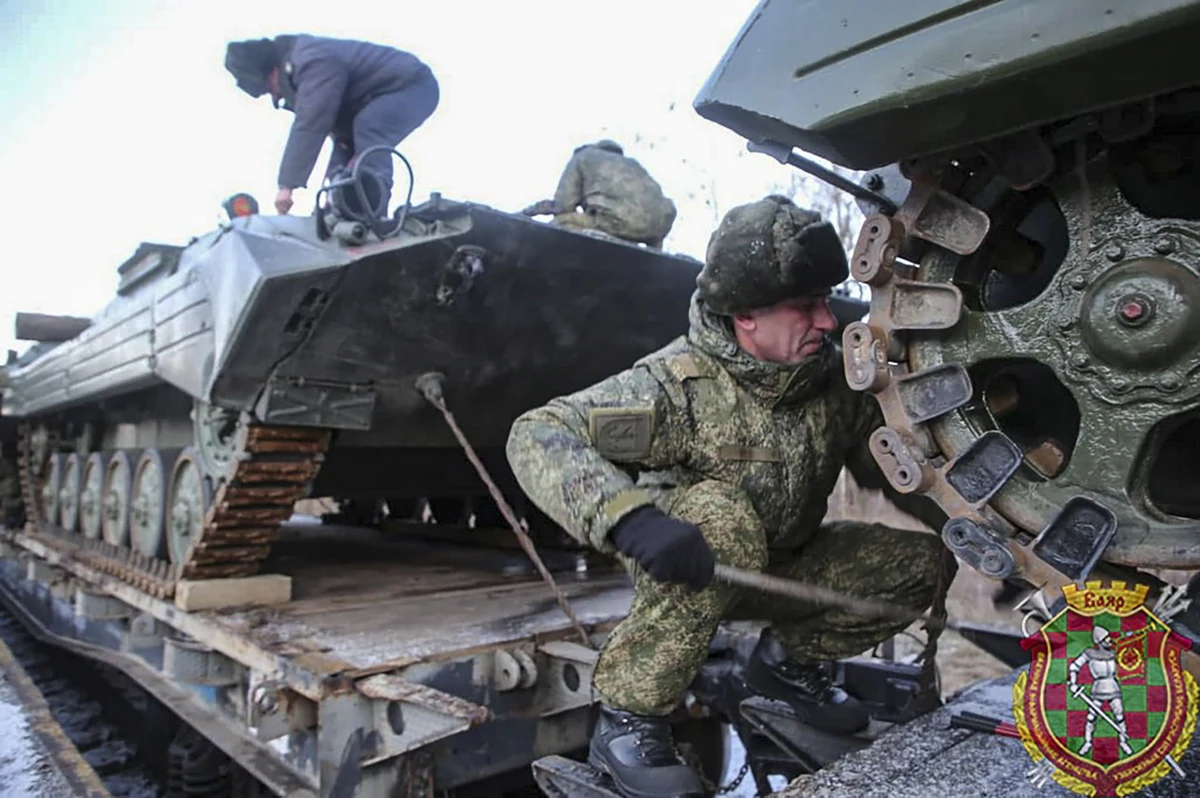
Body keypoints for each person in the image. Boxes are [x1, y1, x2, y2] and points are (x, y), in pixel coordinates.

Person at [506, 195, 955, 797]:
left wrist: (980, 534)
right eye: (805, 307)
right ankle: (628, 721)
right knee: (720, 517)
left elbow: (892, 467)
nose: (826, 321)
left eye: (825, 301)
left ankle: (787, 669)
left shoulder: (832, 385)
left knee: (921, 565)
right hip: (695, 566)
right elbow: (538, 432)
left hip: (783, 566)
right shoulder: (676, 384)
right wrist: (628, 520)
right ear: (746, 315)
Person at [224, 34, 440, 217]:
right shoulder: (301, 63)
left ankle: (371, 211)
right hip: (371, 101)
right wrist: (331, 195)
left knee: (371, 127)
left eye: (269, 89)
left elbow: (312, 120)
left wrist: (287, 186)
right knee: (342, 165)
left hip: (411, 85)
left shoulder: (309, 62)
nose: (276, 95)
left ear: (271, 72)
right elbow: (342, 137)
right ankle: (341, 211)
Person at [521, 140, 677, 248]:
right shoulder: (632, 164)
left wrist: (531, 212)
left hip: (615, 220)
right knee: (639, 222)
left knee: (560, 224)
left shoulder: (583, 157)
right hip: (657, 229)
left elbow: (563, 205)